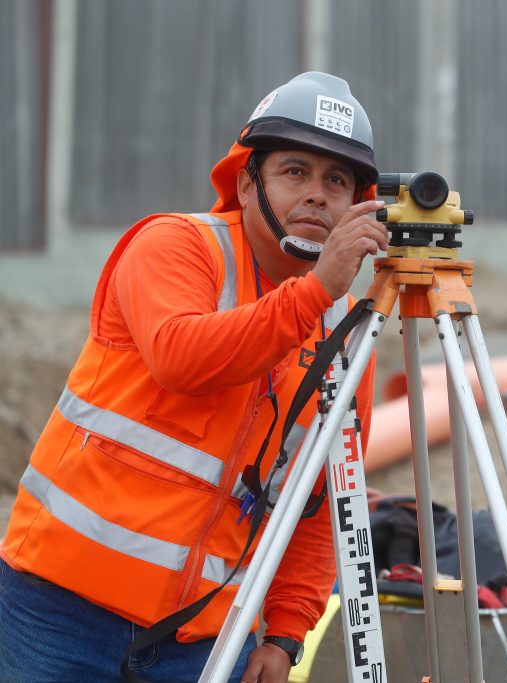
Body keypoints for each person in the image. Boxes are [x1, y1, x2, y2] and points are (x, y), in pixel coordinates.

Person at [0, 72, 389, 682]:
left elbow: (319, 498)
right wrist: (316, 293)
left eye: (335, 181)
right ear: (245, 180)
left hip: (203, 635)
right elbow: (181, 357)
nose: (316, 195)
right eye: (294, 171)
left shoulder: (340, 336)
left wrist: (286, 634)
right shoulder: (175, 246)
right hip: (57, 611)